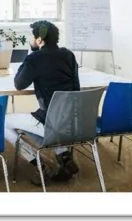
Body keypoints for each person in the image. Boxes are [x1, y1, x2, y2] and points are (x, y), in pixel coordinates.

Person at [8, 20, 81, 184]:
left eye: (33, 37)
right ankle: (64, 155)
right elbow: (76, 88)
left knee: (3, 122)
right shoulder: (69, 55)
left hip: (49, 121)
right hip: (72, 122)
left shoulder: (35, 58)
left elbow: (19, 84)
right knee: (51, 122)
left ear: (39, 40)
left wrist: (31, 54)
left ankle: (38, 164)